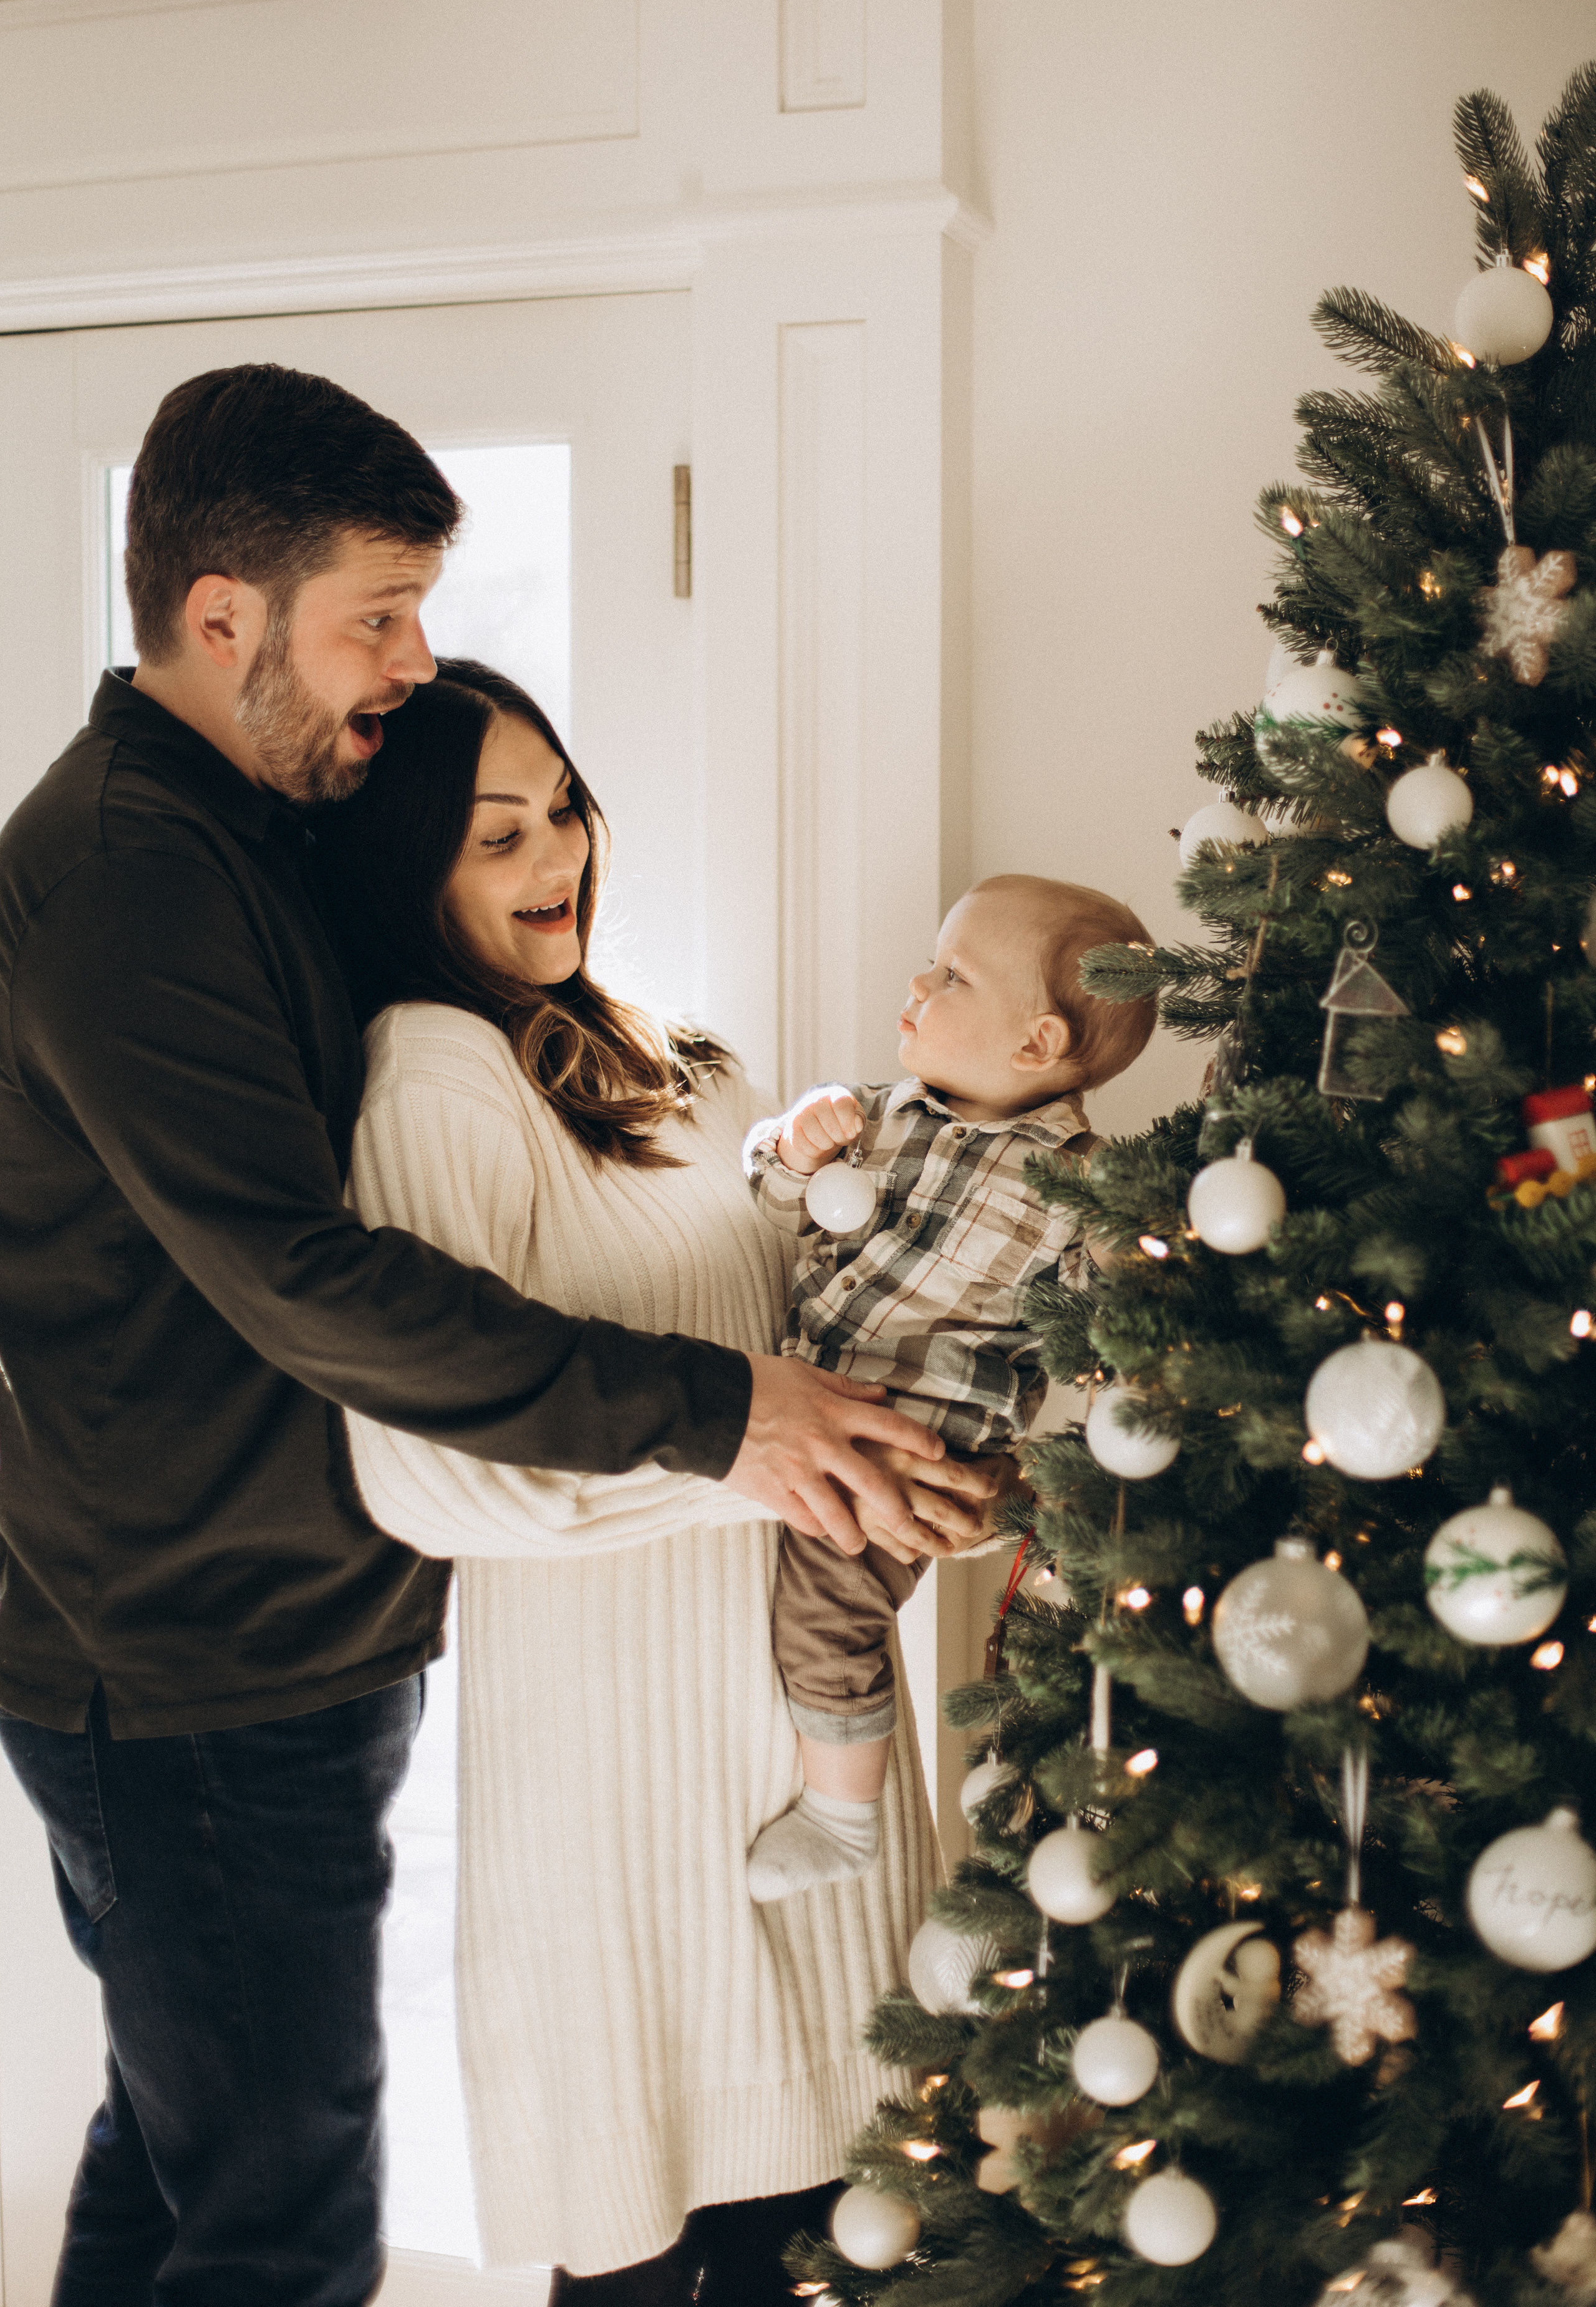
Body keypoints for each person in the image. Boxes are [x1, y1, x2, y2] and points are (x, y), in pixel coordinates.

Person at [0, 363, 952, 2307]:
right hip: (187, 1652)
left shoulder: (246, 825)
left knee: (194, 2163)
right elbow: (302, 1275)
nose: (411, 664)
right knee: (280, 2205)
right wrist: (727, 1419)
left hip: (254, 1628)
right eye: (378, 617)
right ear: (219, 618)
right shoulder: (127, 871)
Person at [314, 659, 998, 2306]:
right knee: (675, 2263)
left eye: (562, 808)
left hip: (813, 1754)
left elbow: (799, 1342)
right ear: (410, 869)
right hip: (632, 1810)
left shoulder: (677, 1063)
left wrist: (920, 1439)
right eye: (496, 837)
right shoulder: (433, 1074)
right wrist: (758, 1461)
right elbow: (436, 1478)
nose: (557, 855)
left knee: (862, 2236)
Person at [741, 876, 1158, 1901]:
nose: (918, 986)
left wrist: (1137, 1262)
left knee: (830, 1604)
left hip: (917, 1441)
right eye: (933, 964)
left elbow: (1107, 1326)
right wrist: (792, 1141)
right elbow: (772, 1192)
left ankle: (844, 1815)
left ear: (1036, 1045)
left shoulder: (1079, 1186)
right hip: (819, 1386)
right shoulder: (880, 1119)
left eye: (953, 975)